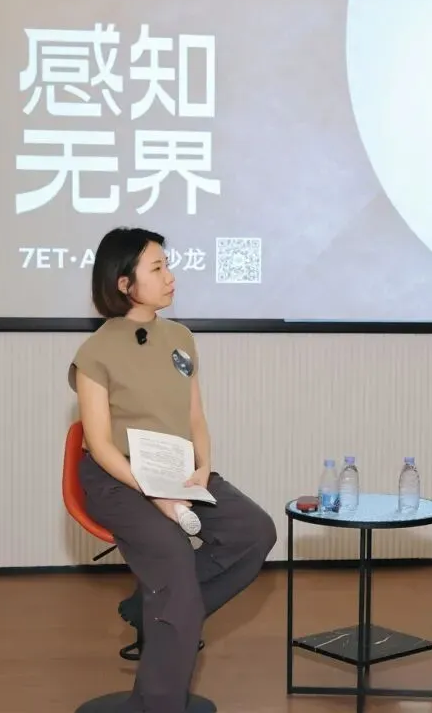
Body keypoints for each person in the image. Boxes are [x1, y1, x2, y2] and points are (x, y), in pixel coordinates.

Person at [68, 226, 277, 713]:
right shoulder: (95, 352)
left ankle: (152, 606)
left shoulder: (180, 338)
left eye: (168, 265)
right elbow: (99, 444)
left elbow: (195, 417)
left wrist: (203, 467)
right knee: (176, 570)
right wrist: (154, 492)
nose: (171, 277)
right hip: (117, 478)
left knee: (254, 531)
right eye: (157, 268)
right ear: (124, 283)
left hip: (176, 469)